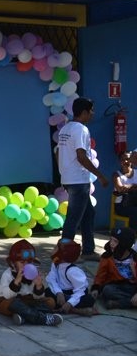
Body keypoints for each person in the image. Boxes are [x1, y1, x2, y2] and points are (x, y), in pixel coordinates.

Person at [57, 97, 109, 259]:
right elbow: (81, 155)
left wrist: (63, 171)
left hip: (69, 179)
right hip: (78, 181)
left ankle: (88, 250)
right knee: (73, 218)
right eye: (91, 110)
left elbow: (58, 152)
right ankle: (63, 254)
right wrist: (100, 175)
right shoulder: (81, 129)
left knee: (88, 214)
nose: (93, 113)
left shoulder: (65, 129)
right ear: (84, 112)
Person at [0, 239, 62, 326]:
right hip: (9, 302)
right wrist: (16, 282)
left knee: (51, 301)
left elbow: (38, 297)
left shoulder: (33, 273)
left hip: (29, 302)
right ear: (13, 263)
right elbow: (8, 296)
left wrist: (38, 286)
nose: (26, 265)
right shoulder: (7, 274)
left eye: (29, 262)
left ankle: (24, 316)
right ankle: (43, 319)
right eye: (22, 262)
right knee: (13, 304)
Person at [45, 238, 96, 316]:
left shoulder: (72, 271)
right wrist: (59, 292)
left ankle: (70, 308)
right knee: (47, 291)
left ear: (61, 254)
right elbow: (51, 278)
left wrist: (70, 303)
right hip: (62, 292)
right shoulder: (56, 263)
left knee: (89, 300)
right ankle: (74, 310)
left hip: (75, 294)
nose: (53, 250)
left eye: (56, 248)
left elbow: (80, 290)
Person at [91, 227, 137, 309]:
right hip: (117, 286)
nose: (111, 243)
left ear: (124, 244)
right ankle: (130, 302)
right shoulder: (107, 256)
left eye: (115, 241)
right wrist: (96, 288)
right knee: (107, 291)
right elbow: (101, 274)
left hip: (133, 287)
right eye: (111, 240)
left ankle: (119, 303)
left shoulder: (135, 258)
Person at [112, 150, 137, 228]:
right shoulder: (116, 175)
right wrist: (135, 187)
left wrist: (130, 186)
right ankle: (132, 233)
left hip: (135, 202)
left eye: (128, 159)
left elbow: (126, 188)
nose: (125, 161)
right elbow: (120, 189)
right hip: (122, 205)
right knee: (135, 212)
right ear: (120, 161)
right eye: (122, 159)